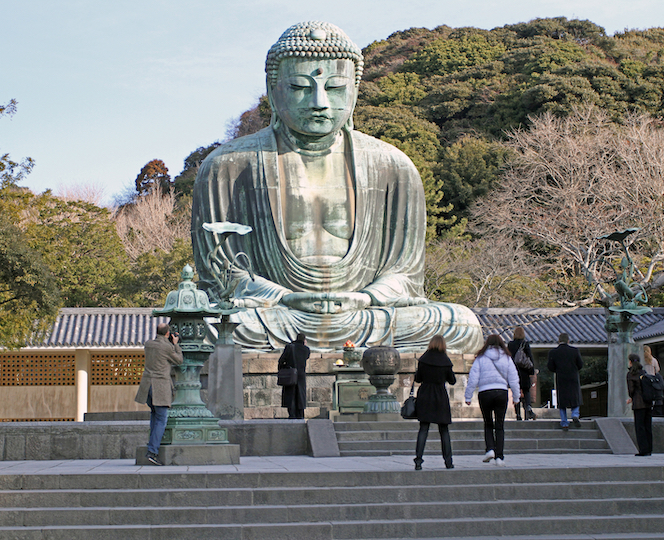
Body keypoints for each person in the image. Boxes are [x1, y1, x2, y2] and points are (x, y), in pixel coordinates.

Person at [191, 21, 483, 353]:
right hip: (277, 315)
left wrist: (365, 297)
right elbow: (221, 274)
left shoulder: (393, 167)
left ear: (355, 91)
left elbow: (405, 275)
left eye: (334, 88)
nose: (318, 102)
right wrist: (284, 297)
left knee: (460, 324)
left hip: (364, 315)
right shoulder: (228, 166)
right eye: (301, 87)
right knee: (203, 327)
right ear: (273, 91)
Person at [464, 334, 520, 466]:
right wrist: (516, 397)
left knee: (488, 422)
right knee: (499, 425)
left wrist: (468, 396)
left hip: (485, 392)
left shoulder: (481, 358)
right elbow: (513, 378)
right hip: (501, 391)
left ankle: (490, 449)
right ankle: (500, 457)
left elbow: (473, 378)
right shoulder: (506, 358)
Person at [134, 323, 181, 466]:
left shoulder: (148, 344)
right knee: (161, 419)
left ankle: (151, 446)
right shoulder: (167, 347)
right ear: (168, 334)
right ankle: (152, 451)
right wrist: (176, 344)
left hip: (147, 386)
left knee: (154, 416)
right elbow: (179, 360)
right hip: (160, 387)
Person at [413, 335, 457, 470]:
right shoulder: (445, 360)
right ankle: (448, 461)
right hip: (440, 395)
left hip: (425, 394)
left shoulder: (424, 360)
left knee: (423, 428)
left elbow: (418, 379)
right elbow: (452, 380)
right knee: (444, 429)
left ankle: (419, 460)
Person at [547, 332, 583, 431]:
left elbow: (550, 367)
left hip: (561, 377)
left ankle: (564, 422)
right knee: (575, 397)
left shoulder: (553, 352)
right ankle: (575, 414)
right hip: (573, 377)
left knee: (562, 400)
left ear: (559, 341)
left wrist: (558, 369)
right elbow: (580, 365)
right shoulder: (574, 351)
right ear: (568, 340)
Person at [279, 333, 311, 419]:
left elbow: (281, 360)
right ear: (304, 340)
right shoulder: (306, 349)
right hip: (301, 374)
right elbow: (306, 357)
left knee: (290, 394)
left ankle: (292, 414)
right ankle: (300, 414)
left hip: (290, 373)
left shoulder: (289, 347)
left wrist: (283, 368)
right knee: (300, 394)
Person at [626, 353, 653, 456]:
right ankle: (649, 448)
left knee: (640, 427)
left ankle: (643, 449)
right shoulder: (643, 372)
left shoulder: (631, 374)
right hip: (648, 402)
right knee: (647, 426)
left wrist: (631, 398)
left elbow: (631, 390)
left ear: (630, 362)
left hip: (638, 403)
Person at [508, 326, 536, 421]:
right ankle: (528, 408)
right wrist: (532, 371)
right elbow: (530, 358)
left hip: (514, 371)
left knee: (516, 393)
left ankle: (518, 414)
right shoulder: (525, 344)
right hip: (524, 371)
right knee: (526, 391)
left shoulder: (510, 345)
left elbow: (508, 358)